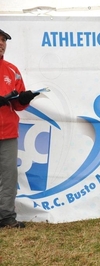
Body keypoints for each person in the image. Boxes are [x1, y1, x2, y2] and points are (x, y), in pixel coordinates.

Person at [0, 29, 39, 229]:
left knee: (8, 176)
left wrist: (24, 99)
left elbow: (17, 105)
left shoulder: (12, 70)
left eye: (4, 40)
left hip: (7, 132)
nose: (1, 43)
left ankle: (6, 217)